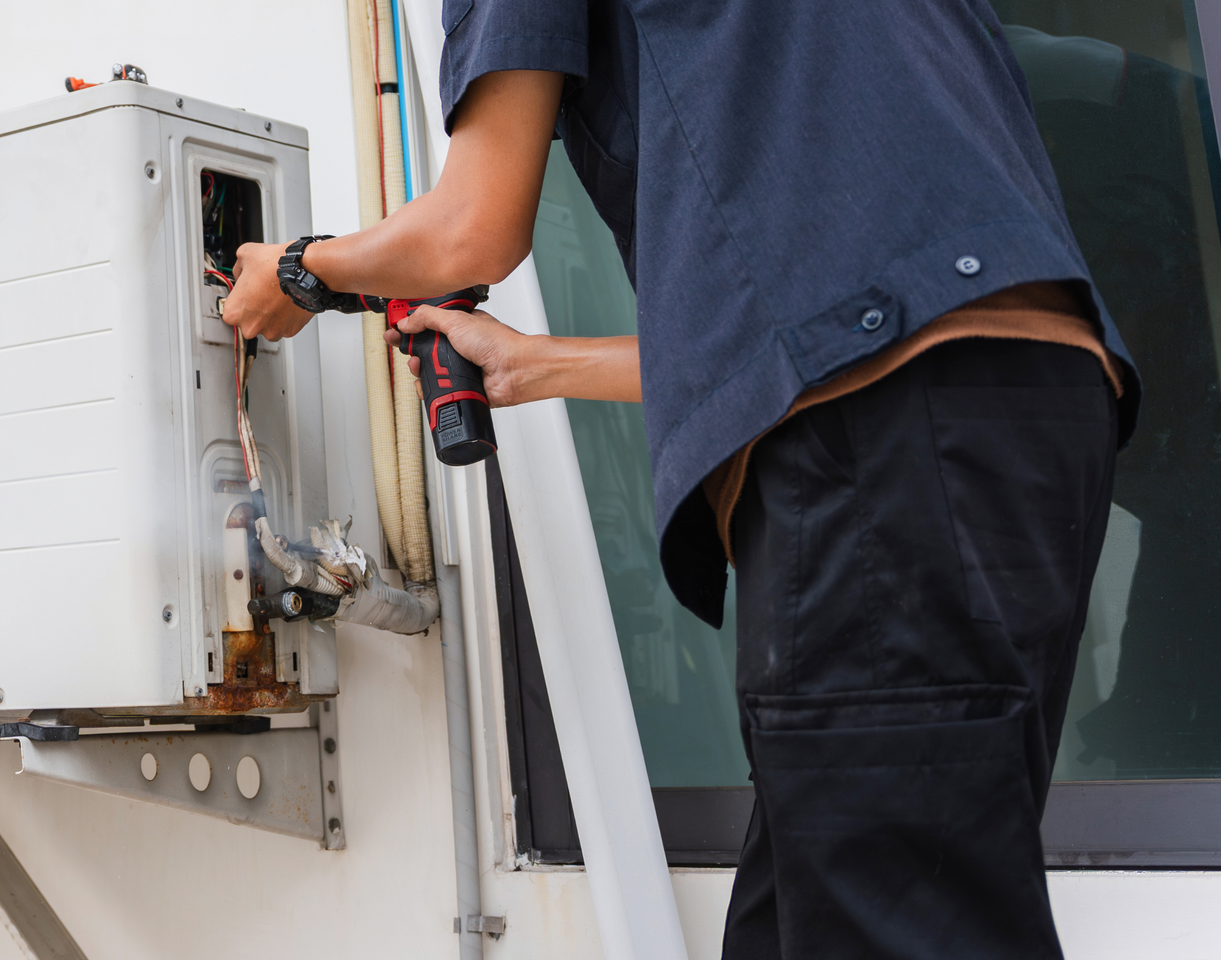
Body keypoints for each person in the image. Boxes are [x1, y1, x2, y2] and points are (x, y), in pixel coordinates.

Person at [221, 2, 1137, 957]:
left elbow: (470, 230)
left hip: (887, 438)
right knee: (816, 920)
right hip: (1033, 404)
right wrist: (534, 364)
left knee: (899, 919)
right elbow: (834, 306)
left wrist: (296, 270)